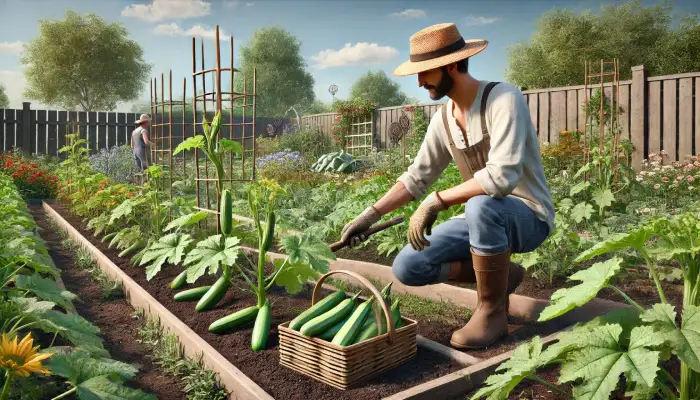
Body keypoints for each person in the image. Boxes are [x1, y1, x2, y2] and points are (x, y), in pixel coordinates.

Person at [340, 23, 555, 350]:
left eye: (425, 71)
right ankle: (503, 277)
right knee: (410, 265)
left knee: (482, 205)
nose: (419, 80)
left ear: (452, 65)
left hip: (528, 215)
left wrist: (436, 201)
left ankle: (492, 311)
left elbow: (501, 178)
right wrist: (369, 216)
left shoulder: (504, 99)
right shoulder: (444, 119)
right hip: (482, 217)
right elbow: (417, 177)